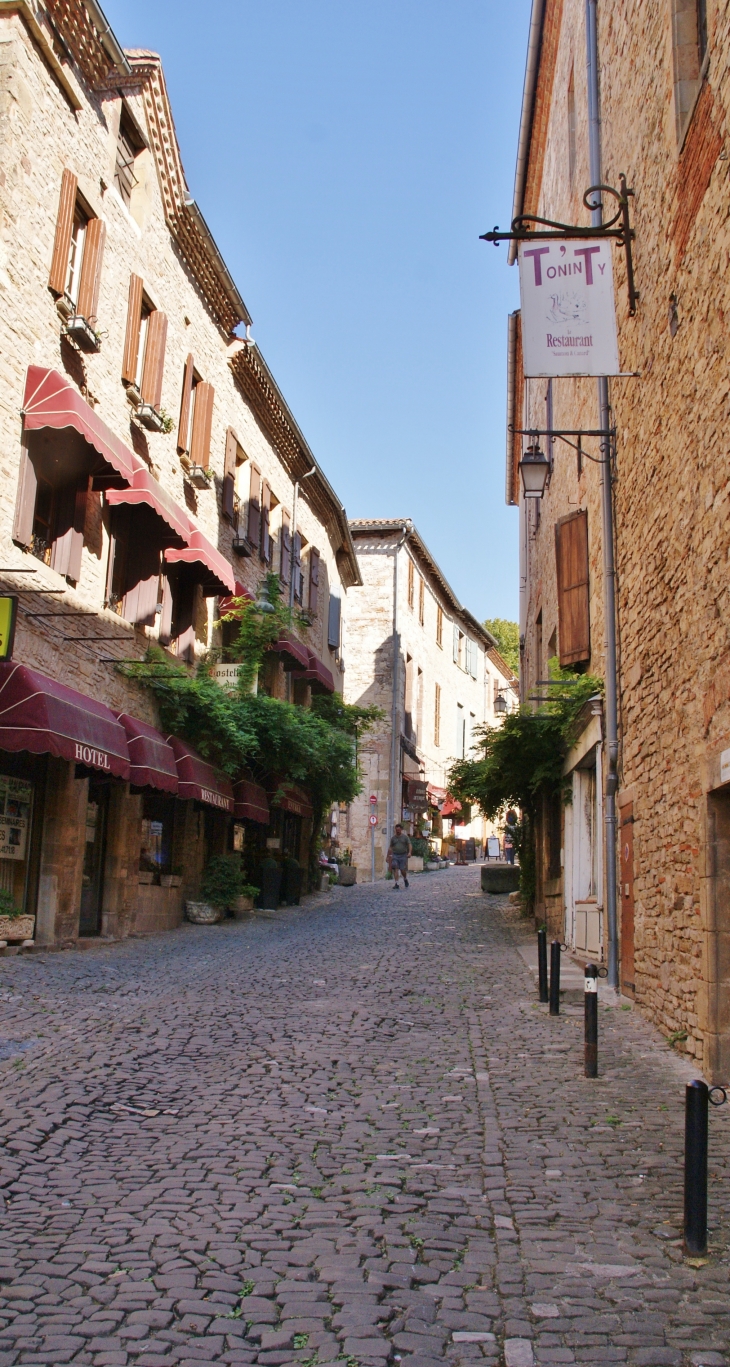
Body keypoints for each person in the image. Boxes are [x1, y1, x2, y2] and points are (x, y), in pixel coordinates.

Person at [388, 824, 412, 889]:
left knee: (402, 869)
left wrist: (409, 852)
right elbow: (390, 847)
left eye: (398, 830)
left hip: (403, 855)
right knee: (395, 868)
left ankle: (405, 878)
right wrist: (388, 856)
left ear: (401, 830)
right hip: (395, 855)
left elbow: (409, 845)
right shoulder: (393, 838)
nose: (397, 831)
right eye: (396, 830)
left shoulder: (405, 837)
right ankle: (396, 883)